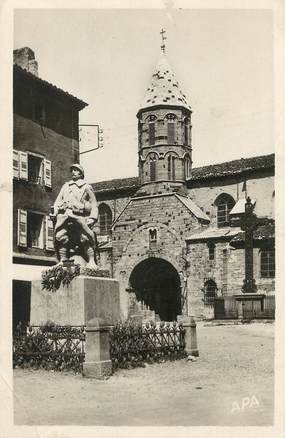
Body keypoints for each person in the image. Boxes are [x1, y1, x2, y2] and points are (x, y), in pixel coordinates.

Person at [52, 164, 99, 269]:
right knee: (61, 236)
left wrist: (92, 217)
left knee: (85, 237)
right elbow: (58, 201)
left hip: (80, 216)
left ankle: (91, 261)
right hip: (65, 216)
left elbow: (94, 204)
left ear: (81, 173)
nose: (73, 172)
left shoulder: (86, 187)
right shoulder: (66, 186)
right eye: (72, 170)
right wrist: (55, 212)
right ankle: (63, 260)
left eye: (76, 170)